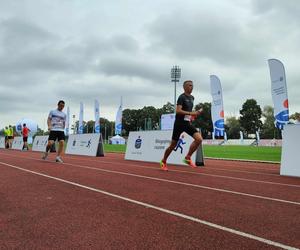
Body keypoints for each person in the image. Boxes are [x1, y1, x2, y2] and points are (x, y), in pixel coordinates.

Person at [160, 80, 203, 171]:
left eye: (192, 85)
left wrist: (193, 115)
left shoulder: (192, 98)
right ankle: (163, 161)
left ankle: (187, 157)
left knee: (199, 139)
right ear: (185, 87)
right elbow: (178, 111)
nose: (192, 87)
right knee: (173, 145)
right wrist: (191, 113)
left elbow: (188, 112)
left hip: (187, 124)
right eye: (190, 85)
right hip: (179, 124)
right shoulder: (181, 97)